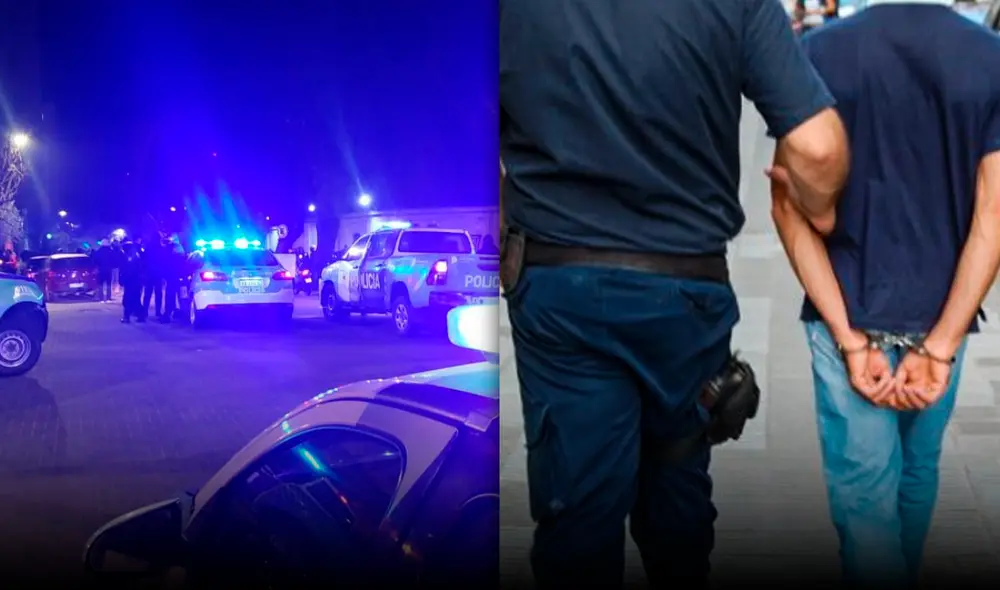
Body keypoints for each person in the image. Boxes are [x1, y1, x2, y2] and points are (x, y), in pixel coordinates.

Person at [499, 0, 849, 587]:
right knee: (678, 497)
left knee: (577, 514)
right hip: (685, 285)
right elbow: (816, 147)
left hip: (561, 281)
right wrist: (822, 209)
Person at [769, 1, 1000, 585]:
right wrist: (941, 346)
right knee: (918, 471)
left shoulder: (818, 52)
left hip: (845, 305)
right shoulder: (990, 57)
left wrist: (849, 339)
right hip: (942, 310)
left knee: (864, 498)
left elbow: (786, 203)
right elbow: (993, 214)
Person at [119, 241, 145, 323]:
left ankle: (127, 317)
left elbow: (127, 270)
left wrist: (123, 279)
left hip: (131, 281)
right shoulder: (135, 255)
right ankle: (140, 316)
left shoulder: (130, 257)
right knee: (135, 299)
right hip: (136, 281)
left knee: (128, 299)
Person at [141, 236, 164, 319]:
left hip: (149, 273)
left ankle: (145, 311)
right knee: (158, 294)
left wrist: (143, 273)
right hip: (158, 274)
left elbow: (144, 261)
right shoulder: (161, 249)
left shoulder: (148, 248)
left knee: (147, 293)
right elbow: (163, 262)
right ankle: (158, 312)